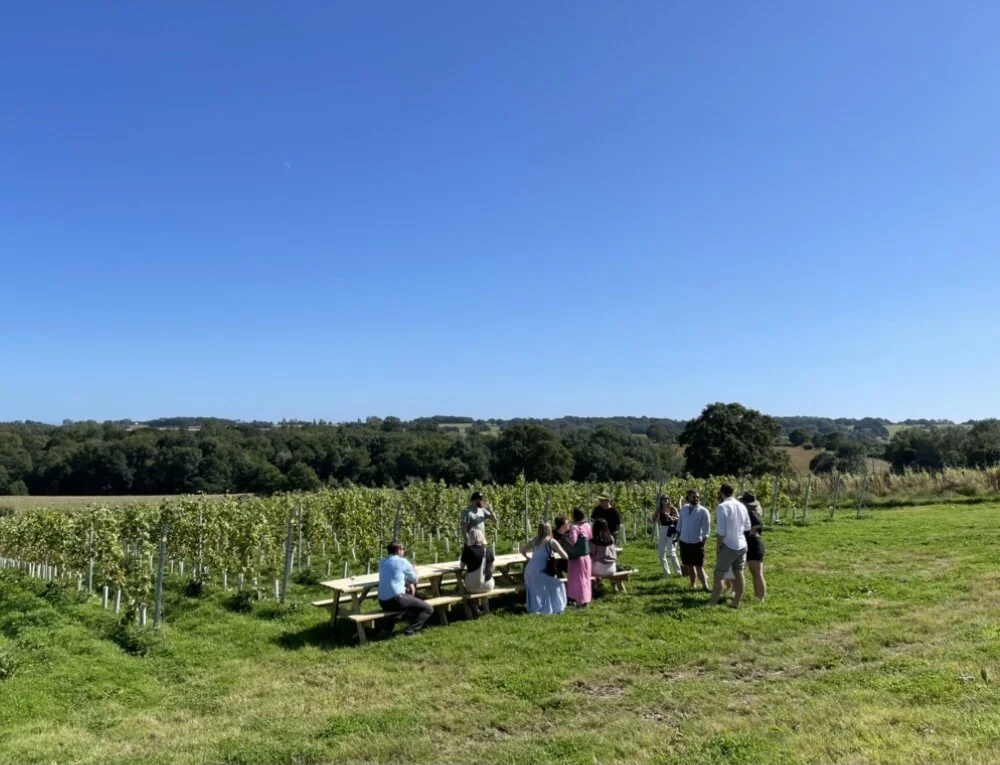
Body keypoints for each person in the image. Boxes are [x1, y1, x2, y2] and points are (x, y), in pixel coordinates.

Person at [377, 541, 433, 636]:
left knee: (401, 607)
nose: (404, 551)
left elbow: (394, 575)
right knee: (428, 609)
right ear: (398, 550)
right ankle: (410, 630)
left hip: (382, 601)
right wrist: (414, 570)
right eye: (403, 549)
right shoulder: (402, 561)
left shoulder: (382, 561)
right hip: (396, 600)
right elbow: (415, 579)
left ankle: (386, 630)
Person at [708, 484, 751, 608]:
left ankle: (712, 603)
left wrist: (718, 547)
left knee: (718, 575)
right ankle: (736, 602)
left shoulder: (722, 507)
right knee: (739, 572)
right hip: (742, 544)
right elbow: (747, 526)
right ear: (733, 492)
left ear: (721, 493)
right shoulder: (742, 506)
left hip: (729, 545)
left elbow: (721, 531)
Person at [521, 522, 568, 614]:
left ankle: (537, 606)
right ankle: (555, 606)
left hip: (529, 570)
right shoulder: (551, 541)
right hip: (542, 570)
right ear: (549, 530)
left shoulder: (534, 540)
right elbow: (565, 556)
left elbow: (522, 550)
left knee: (537, 589)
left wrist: (528, 558)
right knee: (557, 584)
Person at [676, 489, 711, 590]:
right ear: (689, 497)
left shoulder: (703, 511)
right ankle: (693, 585)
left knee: (699, 566)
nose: (696, 498)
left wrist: (703, 542)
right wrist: (677, 538)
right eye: (693, 497)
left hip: (697, 543)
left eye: (697, 497)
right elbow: (680, 524)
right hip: (684, 542)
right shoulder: (684, 509)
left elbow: (706, 529)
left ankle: (705, 586)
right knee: (689, 566)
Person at [740, 491, 767, 603]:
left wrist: (752, 530)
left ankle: (760, 598)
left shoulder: (750, 512)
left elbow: (759, 524)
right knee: (755, 573)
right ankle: (758, 597)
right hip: (751, 544)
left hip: (754, 544)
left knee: (757, 573)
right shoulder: (751, 511)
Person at [565, 508, 593, 607]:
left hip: (577, 558)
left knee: (578, 580)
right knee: (586, 579)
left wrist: (565, 539)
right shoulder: (587, 525)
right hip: (586, 557)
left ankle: (579, 601)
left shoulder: (574, 527)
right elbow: (589, 537)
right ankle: (586, 600)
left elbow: (573, 541)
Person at [650, 496, 681, 577]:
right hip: (662, 529)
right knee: (661, 552)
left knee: (672, 552)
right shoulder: (659, 509)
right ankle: (666, 573)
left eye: (667, 499)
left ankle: (679, 572)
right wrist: (654, 515)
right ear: (661, 501)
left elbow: (678, 519)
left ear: (669, 500)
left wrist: (670, 517)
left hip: (671, 529)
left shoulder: (673, 509)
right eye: (663, 499)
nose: (665, 500)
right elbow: (654, 520)